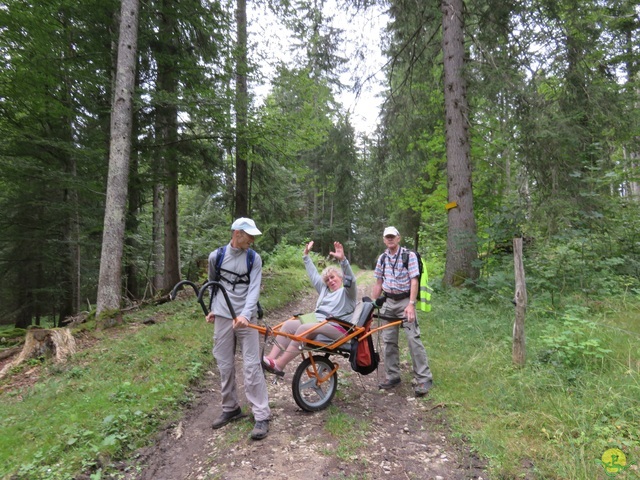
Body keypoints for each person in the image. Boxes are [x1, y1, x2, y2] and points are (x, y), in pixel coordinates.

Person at [205, 217, 271, 440]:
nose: (252, 240)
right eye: (249, 235)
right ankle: (230, 408)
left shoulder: (254, 259)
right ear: (237, 233)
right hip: (223, 316)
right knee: (224, 364)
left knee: (252, 365)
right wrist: (214, 309)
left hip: (247, 318)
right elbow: (213, 285)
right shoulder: (216, 256)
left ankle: (261, 414)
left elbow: (254, 290)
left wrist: (244, 314)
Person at [262, 240, 357, 375]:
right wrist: (306, 256)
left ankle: (279, 364)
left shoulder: (348, 293)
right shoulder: (324, 291)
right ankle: (270, 359)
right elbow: (314, 276)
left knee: (304, 328)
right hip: (319, 322)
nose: (330, 281)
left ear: (340, 278)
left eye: (333, 277)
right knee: (288, 325)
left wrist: (343, 261)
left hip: (339, 328)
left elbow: (352, 281)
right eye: (327, 280)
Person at [372, 226, 433, 397]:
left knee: (413, 338)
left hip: (406, 301)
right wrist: (372, 305)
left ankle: (424, 378)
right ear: (384, 240)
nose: (390, 239)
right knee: (388, 340)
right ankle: (393, 376)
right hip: (388, 301)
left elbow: (414, 281)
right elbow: (378, 283)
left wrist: (411, 304)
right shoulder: (382, 259)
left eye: (393, 236)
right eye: (387, 237)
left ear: (398, 238)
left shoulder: (409, 256)